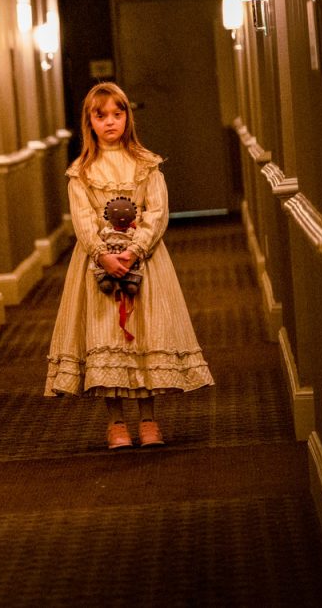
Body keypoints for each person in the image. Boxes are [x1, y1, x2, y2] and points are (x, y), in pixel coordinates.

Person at [46, 82, 213, 449]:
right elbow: (83, 219)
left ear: (127, 118)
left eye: (117, 114)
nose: (110, 122)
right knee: (107, 337)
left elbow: (157, 211)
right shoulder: (82, 172)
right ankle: (116, 421)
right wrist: (102, 254)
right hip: (98, 266)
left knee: (144, 334)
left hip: (144, 262)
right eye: (101, 115)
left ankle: (149, 418)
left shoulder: (146, 164)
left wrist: (135, 250)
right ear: (89, 122)